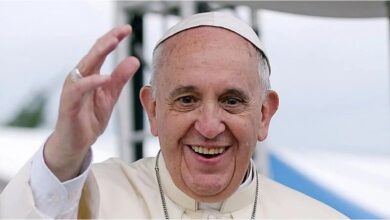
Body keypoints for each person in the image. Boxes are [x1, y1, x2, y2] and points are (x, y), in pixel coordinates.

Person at [0, 12, 347, 219]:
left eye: (231, 100)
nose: (209, 127)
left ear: (265, 114)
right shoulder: (89, 200)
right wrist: (64, 151)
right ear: (152, 109)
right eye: (186, 99)